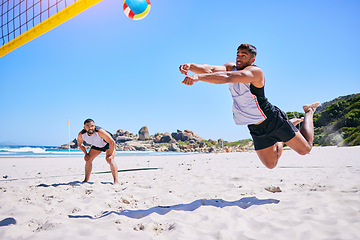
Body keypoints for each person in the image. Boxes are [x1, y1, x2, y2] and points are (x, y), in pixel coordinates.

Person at [180, 44, 319, 169]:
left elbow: (228, 77)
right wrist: (191, 66)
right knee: (271, 164)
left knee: (305, 149)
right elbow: (210, 69)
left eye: (243, 55)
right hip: (254, 125)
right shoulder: (231, 67)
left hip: (272, 120)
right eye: (238, 54)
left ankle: (309, 111)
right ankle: (281, 136)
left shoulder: (255, 72)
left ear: (252, 60)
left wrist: (198, 77)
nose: (239, 58)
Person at [77, 119, 119, 184]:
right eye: (88, 126)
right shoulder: (81, 134)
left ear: (94, 126)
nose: (90, 128)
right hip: (97, 145)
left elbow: (112, 142)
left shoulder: (100, 132)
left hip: (108, 144)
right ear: (84, 127)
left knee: (110, 159)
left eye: (92, 126)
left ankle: (116, 181)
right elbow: (80, 144)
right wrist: (86, 154)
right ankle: (86, 180)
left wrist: (109, 155)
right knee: (88, 159)